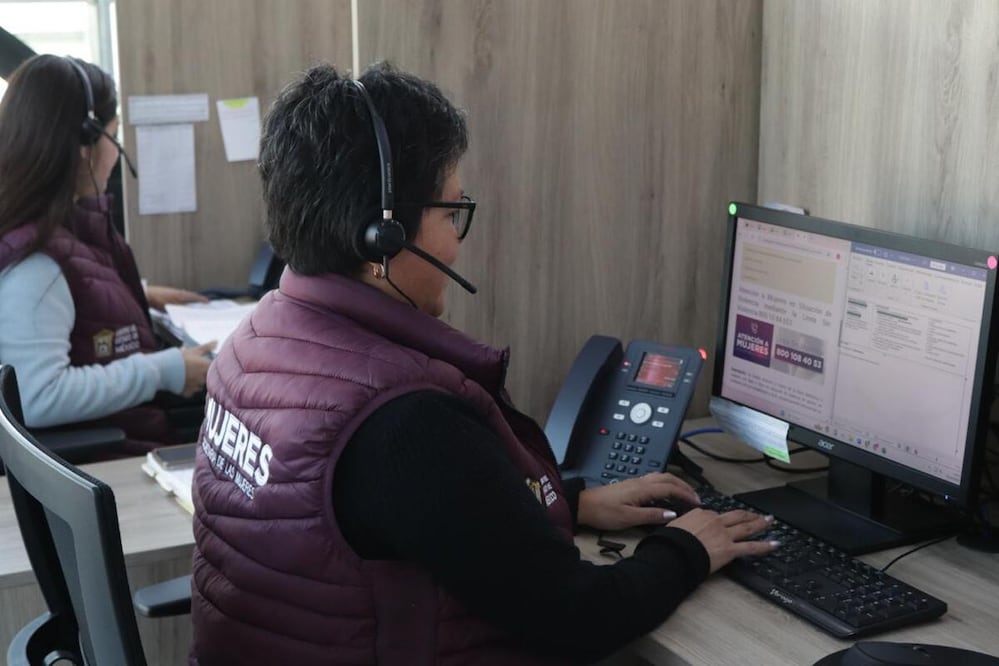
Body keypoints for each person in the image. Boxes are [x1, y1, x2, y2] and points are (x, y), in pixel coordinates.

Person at [190, 62, 777, 665]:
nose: (456, 242)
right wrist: (686, 549)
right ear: (381, 239)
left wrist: (567, 502)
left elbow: (404, 517)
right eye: (451, 214)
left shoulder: (255, 342)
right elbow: (578, 616)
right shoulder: (404, 421)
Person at [0, 55, 214, 451]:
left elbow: (58, 303)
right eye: (114, 137)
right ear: (85, 143)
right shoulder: (36, 264)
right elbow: (37, 395)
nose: (116, 155)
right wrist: (163, 370)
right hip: (106, 464)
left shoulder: (49, 231)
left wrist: (135, 295)